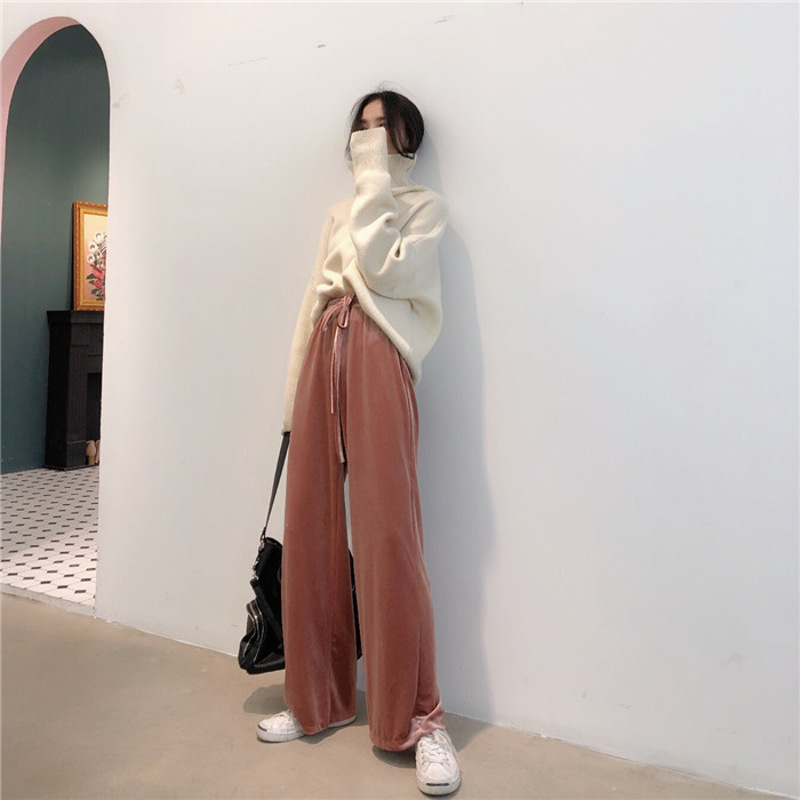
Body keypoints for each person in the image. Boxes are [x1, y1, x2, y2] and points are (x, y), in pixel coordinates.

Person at [257, 89, 460, 797]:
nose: (369, 139)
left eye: (384, 129)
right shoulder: (337, 215)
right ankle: (316, 698)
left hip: (381, 358)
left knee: (389, 538)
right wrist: (293, 401)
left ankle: (419, 720)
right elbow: (314, 300)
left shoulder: (424, 210)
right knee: (311, 534)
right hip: (324, 354)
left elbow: (385, 271)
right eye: (362, 128)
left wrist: (374, 182)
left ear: (407, 142)